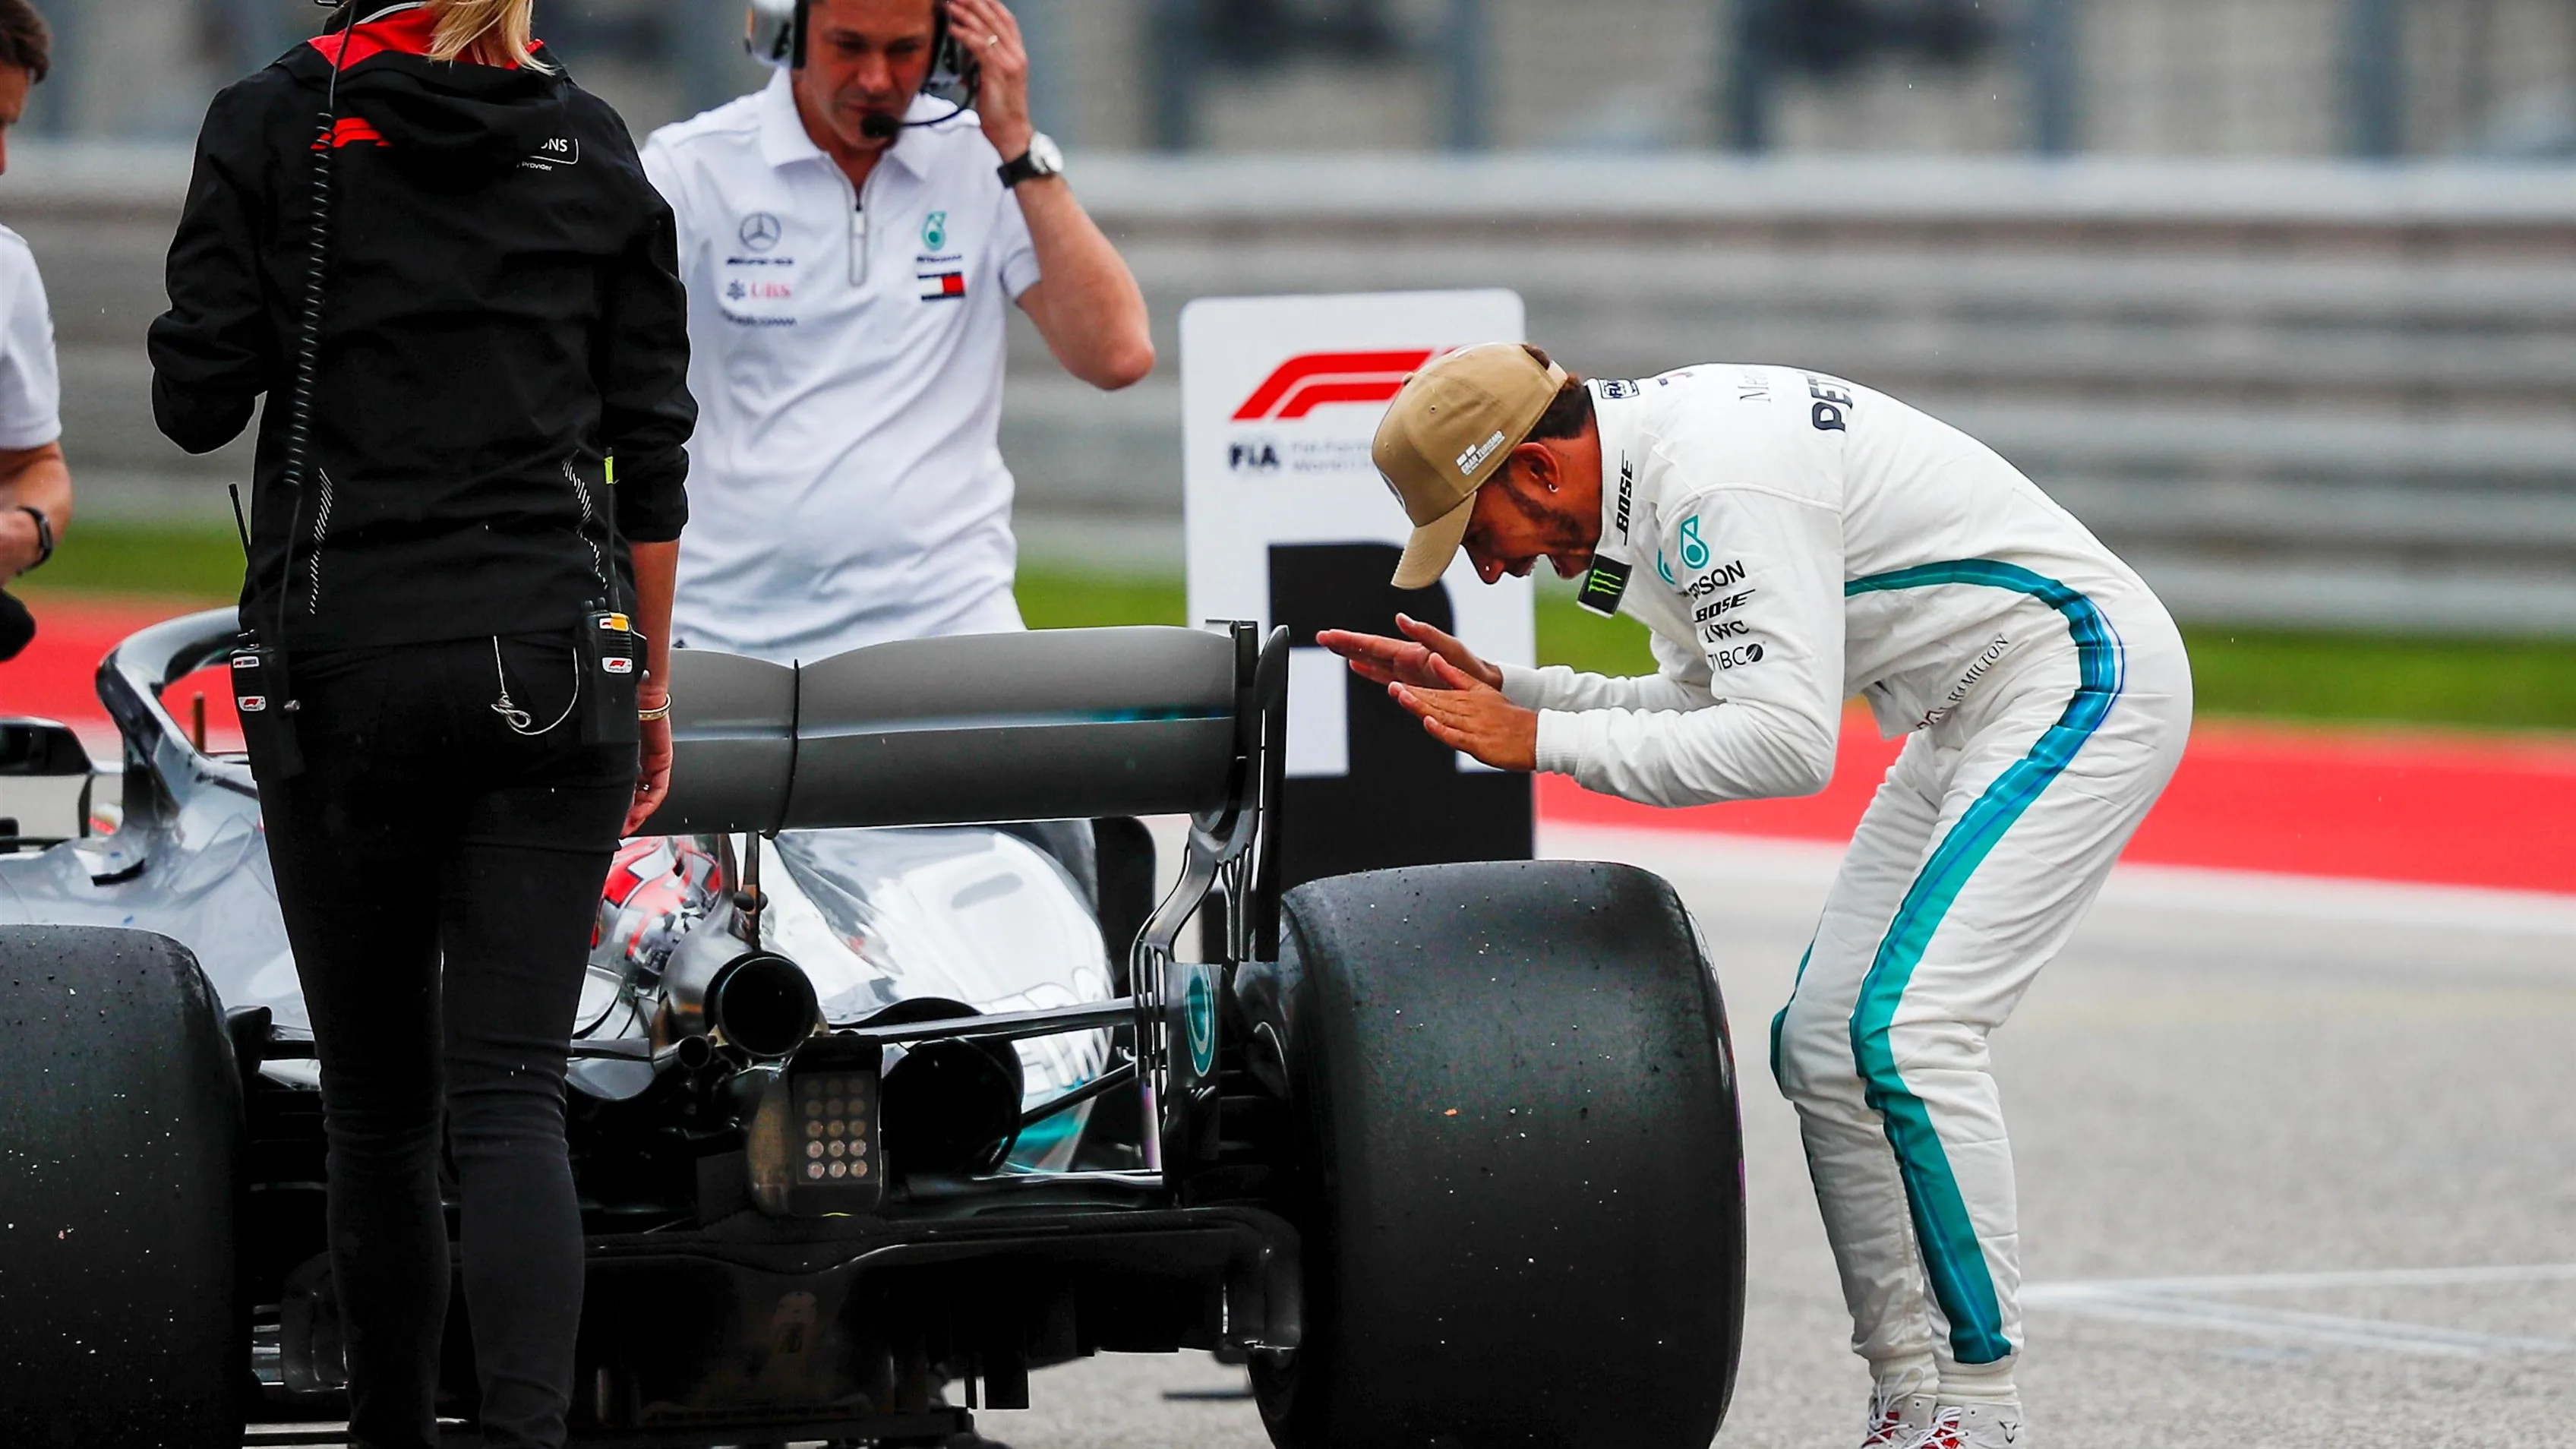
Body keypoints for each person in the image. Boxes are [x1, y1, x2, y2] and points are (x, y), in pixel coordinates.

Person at [1324, 344, 2192, 1449]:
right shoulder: (1656, 484)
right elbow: (1700, 697)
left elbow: (1785, 744)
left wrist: (1540, 741)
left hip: (2078, 672)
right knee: (1826, 1043)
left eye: (1476, 533)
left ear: (1538, 470)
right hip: (1975, 704)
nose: (1488, 572)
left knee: (1911, 1034)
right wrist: (1519, 693)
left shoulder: (1714, 483)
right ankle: (1908, 1397)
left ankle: (1978, 1409)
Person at [147, 3, 694, 1446]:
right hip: (556, 648)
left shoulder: (273, 117)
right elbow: (654, 440)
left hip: (347, 661)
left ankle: (391, 1432)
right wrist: (649, 681)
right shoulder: (590, 135)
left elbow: (194, 400)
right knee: (512, 1093)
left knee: (378, 1108)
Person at [639, 0, 1152, 906]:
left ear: (951, 48)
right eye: (848, 47)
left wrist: (1019, 143)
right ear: (782, 33)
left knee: (1048, 914)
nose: (876, 79)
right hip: (730, 643)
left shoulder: (989, 164)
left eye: (904, 51)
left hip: (947, 626)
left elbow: (1115, 355)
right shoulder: (687, 171)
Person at [0, 0, 69, 661]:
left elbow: (35, 465)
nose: (0, 162)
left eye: (8, 129)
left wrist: (26, 531)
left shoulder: (7, 265)